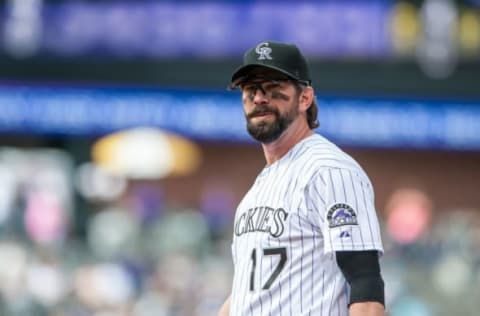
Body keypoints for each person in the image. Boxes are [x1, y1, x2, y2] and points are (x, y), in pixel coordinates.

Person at [217, 41, 385, 316]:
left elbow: (366, 288)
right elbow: (246, 294)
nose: (259, 98)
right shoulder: (260, 187)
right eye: (250, 89)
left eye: (273, 88)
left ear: (304, 98)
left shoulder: (329, 170)